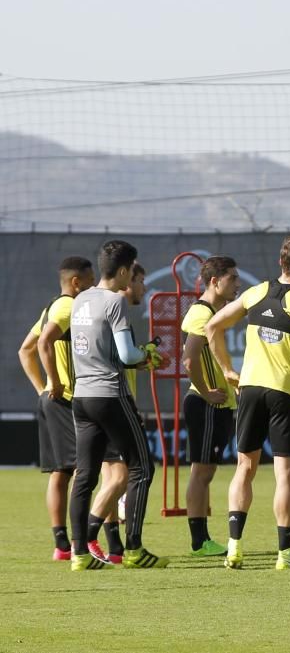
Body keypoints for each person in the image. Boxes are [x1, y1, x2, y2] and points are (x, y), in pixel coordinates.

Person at [205, 234, 290, 570]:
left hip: (250, 390)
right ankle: (285, 554)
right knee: (285, 477)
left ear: (282, 262)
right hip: (285, 393)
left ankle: (234, 547)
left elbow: (212, 326)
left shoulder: (256, 292)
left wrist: (228, 370)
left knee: (244, 469)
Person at [68, 240, 168, 570]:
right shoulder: (114, 301)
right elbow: (126, 355)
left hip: (82, 396)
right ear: (123, 271)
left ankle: (79, 554)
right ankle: (134, 549)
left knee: (85, 476)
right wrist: (148, 356)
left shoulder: (81, 298)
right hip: (110, 394)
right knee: (142, 468)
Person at [18, 256, 95, 561]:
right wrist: (56, 384)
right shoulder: (67, 307)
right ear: (76, 282)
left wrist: (43, 388)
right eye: (90, 280)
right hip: (67, 400)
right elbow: (41, 345)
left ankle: (62, 544)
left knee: (60, 473)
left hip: (53, 399)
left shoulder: (51, 307)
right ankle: (79, 543)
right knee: (82, 470)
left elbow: (24, 349)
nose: (94, 285)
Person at [180, 256, 241, 556]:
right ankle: (199, 541)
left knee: (205, 473)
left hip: (216, 404)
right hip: (205, 404)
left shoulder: (213, 312)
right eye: (232, 277)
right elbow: (189, 360)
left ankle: (201, 538)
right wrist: (205, 393)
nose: (238, 283)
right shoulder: (201, 314)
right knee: (200, 474)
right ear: (215, 281)